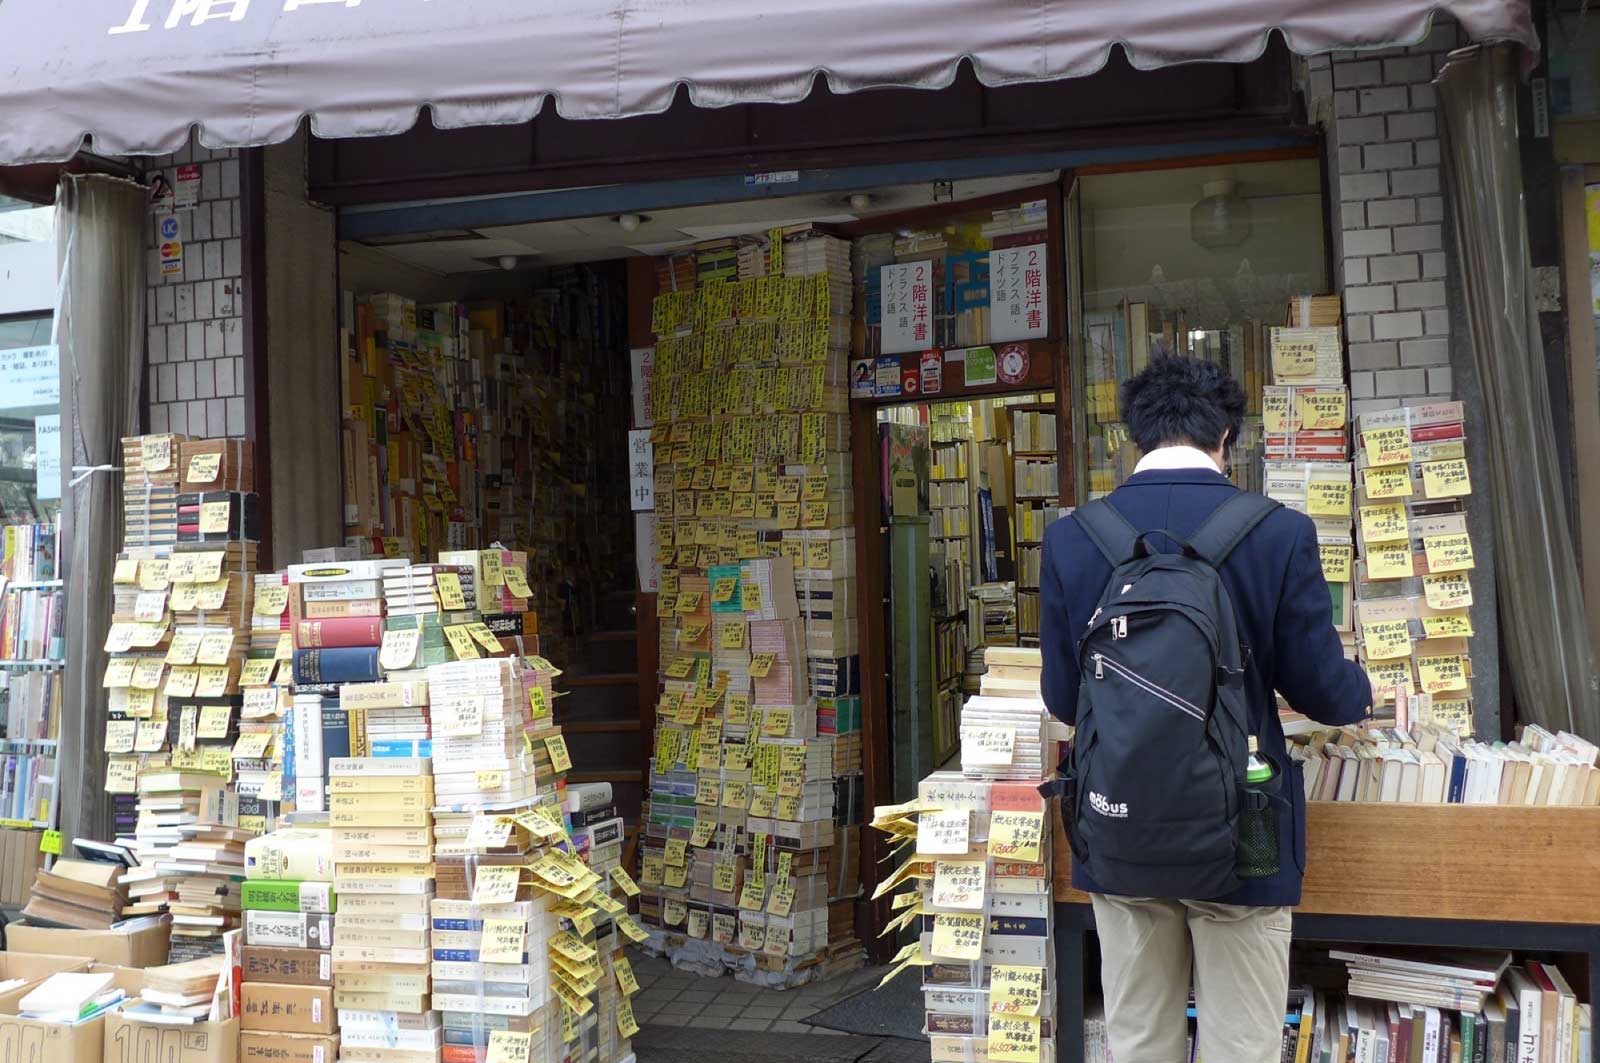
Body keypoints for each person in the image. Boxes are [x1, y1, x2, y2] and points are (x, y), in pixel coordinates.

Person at [1038, 353, 1372, 1063]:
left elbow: (1063, 697)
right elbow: (1324, 690)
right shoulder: (1279, 532)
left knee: (1138, 1037)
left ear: (1137, 436)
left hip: (1117, 820)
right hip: (1242, 830)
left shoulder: (1074, 537)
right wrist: (1363, 688)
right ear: (1227, 437)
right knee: (1241, 1043)